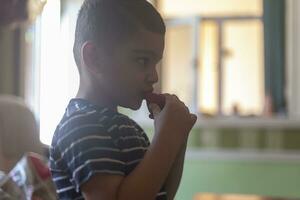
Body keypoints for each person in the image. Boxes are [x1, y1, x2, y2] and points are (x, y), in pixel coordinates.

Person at [49, 0, 197, 199]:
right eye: (142, 60)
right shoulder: (80, 126)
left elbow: (162, 194)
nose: (154, 76)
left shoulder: (125, 127)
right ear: (94, 58)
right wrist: (166, 138)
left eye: (155, 63)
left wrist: (178, 138)